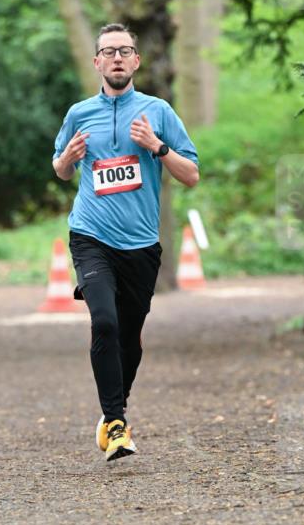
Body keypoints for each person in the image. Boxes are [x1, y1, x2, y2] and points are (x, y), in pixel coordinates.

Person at [52, 23, 200, 461]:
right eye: (108, 52)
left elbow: (191, 175)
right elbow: (60, 169)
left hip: (141, 244)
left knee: (130, 337)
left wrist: (157, 147)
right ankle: (116, 424)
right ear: (97, 62)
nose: (117, 58)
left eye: (125, 51)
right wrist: (68, 159)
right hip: (91, 235)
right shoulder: (79, 113)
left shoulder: (159, 112)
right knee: (105, 322)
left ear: (136, 61)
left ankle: (114, 409)